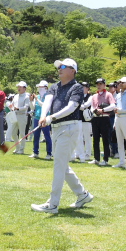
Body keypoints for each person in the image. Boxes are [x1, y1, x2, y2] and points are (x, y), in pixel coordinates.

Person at [30, 58, 93, 214]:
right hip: (57, 128)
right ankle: (82, 194)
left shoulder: (77, 87)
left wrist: (52, 117)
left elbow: (72, 107)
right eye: (58, 66)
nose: (59, 68)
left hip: (70, 127)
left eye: (63, 66)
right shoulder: (54, 86)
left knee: (58, 165)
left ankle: (52, 204)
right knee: (62, 165)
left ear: (73, 71)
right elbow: (47, 102)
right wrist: (44, 116)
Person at [89, 78, 116, 166]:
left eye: (100, 84)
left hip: (105, 117)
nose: (98, 85)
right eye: (97, 84)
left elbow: (112, 106)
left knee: (105, 139)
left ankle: (105, 159)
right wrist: (95, 110)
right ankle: (96, 158)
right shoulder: (94, 96)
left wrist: (103, 109)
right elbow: (92, 107)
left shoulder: (108, 95)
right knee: (95, 139)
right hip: (96, 118)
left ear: (104, 85)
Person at [29, 80, 53, 159]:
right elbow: (33, 107)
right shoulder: (38, 96)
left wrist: (37, 99)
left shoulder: (48, 96)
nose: (39, 89)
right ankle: (35, 152)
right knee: (36, 136)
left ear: (46, 88)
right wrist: (31, 100)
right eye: (39, 87)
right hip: (36, 117)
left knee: (47, 136)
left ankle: (49, 153)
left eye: (41, 87)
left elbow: (44, 106)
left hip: (45, 118)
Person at [9, 81, 30, 154]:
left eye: (20, 87)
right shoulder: (16, 96)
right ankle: (17, 147)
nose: (18, 88)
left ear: (24, 88)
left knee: (22, 133)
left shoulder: (26, 96)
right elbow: (12, 104)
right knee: (13, 133)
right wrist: (11, 107)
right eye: (18, 87)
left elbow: (26, 106)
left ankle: (21, 149)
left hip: (22, 115)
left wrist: (17, 108)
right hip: (15, 115)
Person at [73, 82, 91, 162]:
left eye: (84, 87)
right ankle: (78, 153)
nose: (83, 88)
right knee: (78, 137)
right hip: (79, 119)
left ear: (87, 88)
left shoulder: (90, 97)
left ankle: (87, 154)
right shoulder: (78, 96)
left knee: (87, 138)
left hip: (87, 120)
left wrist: (76, 105)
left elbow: (85, 106)